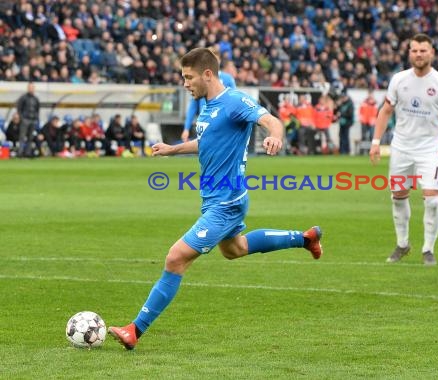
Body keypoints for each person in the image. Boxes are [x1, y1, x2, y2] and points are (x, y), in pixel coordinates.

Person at [108, 48, 323, 350]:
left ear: (207, 74)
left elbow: (271, 120)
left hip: (227, 203)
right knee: (235, 249)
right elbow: (207, 142)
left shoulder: (234, 100)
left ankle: (134, 329)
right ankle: (304, 238)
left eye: (188, 77)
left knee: (175, 258)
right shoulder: (207, 106)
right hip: (214, 199)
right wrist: (174, 149)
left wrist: (275, 136)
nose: (185, 83)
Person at [369, 33, 438, 266]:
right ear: (409, 53)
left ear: (431, 53)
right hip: (401, 148)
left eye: (423, 50)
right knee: (398, 198)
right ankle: (402, 244)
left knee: (432, 201)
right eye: (414, 50)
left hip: (429, 149)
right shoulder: (399, 80)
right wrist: (375, 142)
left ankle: (428, 249)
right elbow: (385, 111)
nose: (418, 54)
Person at [180, 46, 236, 142]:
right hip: (205, 121)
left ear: (218, 60)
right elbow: (193, 105)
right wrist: (186, 128)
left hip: (222, 123)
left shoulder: (227, 79)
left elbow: (234, 101)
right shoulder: (199, 79)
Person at [16, 82, 40, 158]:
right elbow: (19, 108)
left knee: (30, 137)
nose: (31, 89)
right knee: (22, 137)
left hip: (33, 120)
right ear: (28, 88)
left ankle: (28, 153)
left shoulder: (36, 99)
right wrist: (22, 118)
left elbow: (37, 109)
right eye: (30, 87)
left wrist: (36, 118)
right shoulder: (23, 97)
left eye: (32, 87)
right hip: (25, 119)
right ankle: (20, 153)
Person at [335, 88, 354, 155]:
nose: (342, 99)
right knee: (341, 136)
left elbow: (349, 114)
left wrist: (341, 114)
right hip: (342, 122)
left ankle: (346, 151)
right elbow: (337, 111)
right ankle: (342, 150)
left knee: (345, 137)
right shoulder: (342, 104)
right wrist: (337, 106)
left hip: (347, 123)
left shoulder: (350, 104)